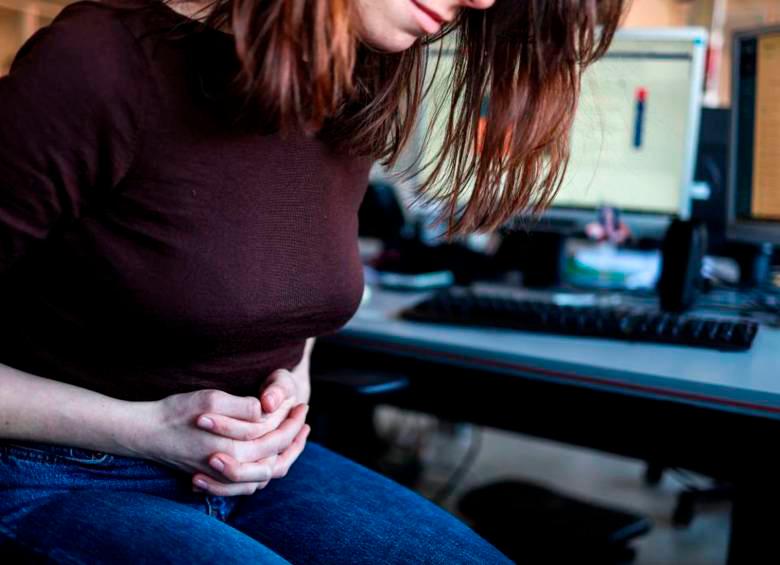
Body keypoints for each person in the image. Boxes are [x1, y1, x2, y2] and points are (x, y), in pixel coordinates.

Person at [0, 0, 624, 562]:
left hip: (259, 475)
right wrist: (147, 430)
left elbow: (288, 284)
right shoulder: (97, 64)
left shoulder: (355, 75)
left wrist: (289, 388)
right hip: (54, 473)